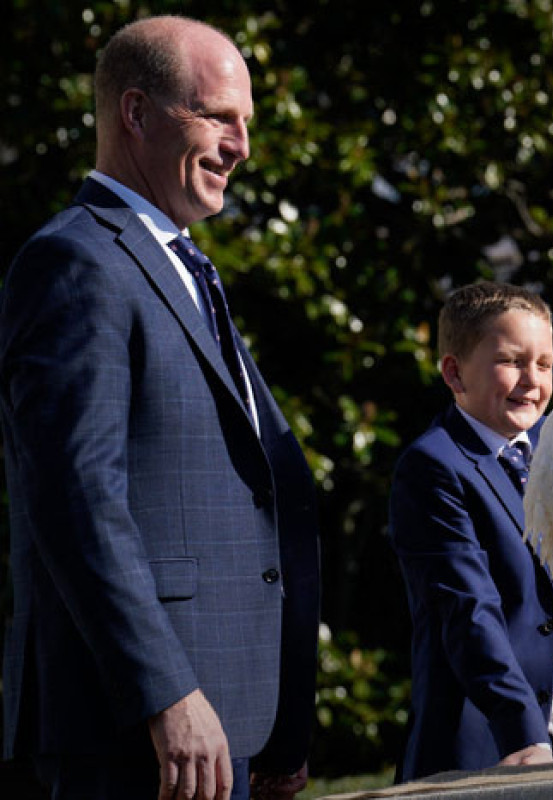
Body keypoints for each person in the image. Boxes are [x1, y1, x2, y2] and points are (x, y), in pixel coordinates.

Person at [0, 16, 320, 800]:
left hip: (228, 727)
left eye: (247, 124)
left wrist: (278, 728)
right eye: (218, 117)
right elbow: (76, 500)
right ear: (136, 113)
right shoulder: (74, 262)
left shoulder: (185, 265)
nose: (241, 146)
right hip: (137, 736)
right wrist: (166, 694)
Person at [388, 282, 553, 781]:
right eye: (511, 361)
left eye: (544, 364)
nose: (532, 380)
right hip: (489, 745)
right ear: (454, 373)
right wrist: (523, 732)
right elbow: (467, 609)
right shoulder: (434, 466)